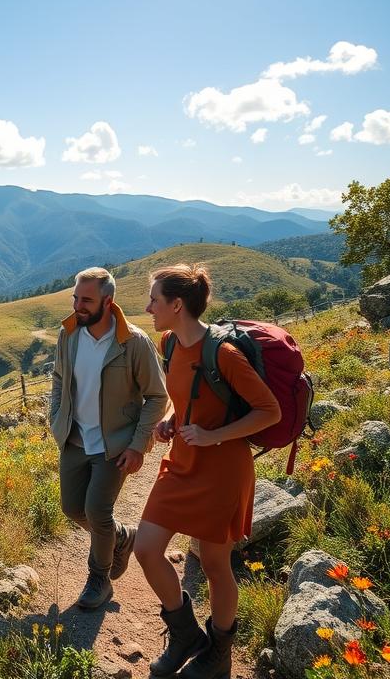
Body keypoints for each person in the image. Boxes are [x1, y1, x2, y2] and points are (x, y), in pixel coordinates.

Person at [135, 265, 281, 679]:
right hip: (182, 461)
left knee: (215, 564)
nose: (148, 307)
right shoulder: (169, 343)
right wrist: (170, 419)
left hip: (223, 470)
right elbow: (182, 396)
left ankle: (218, 654)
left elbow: (269, 411)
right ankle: (185, 636)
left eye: (154, 300)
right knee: (146, 548)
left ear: (177, 305)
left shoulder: (225, 354)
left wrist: (214, 435)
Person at [50, 267, 169, 610]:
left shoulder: (133, 343)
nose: (78, 306)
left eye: (86, 300)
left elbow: (157, 397)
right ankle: (122, 537)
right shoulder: (69, 335)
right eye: (75, 298)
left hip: (114, 445)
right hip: (74, 438)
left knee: (97, 511)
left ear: (108, 301)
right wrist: (56, 417)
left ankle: (99, 579)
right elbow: (59, 378)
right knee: (72, 508)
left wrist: (137, 445)